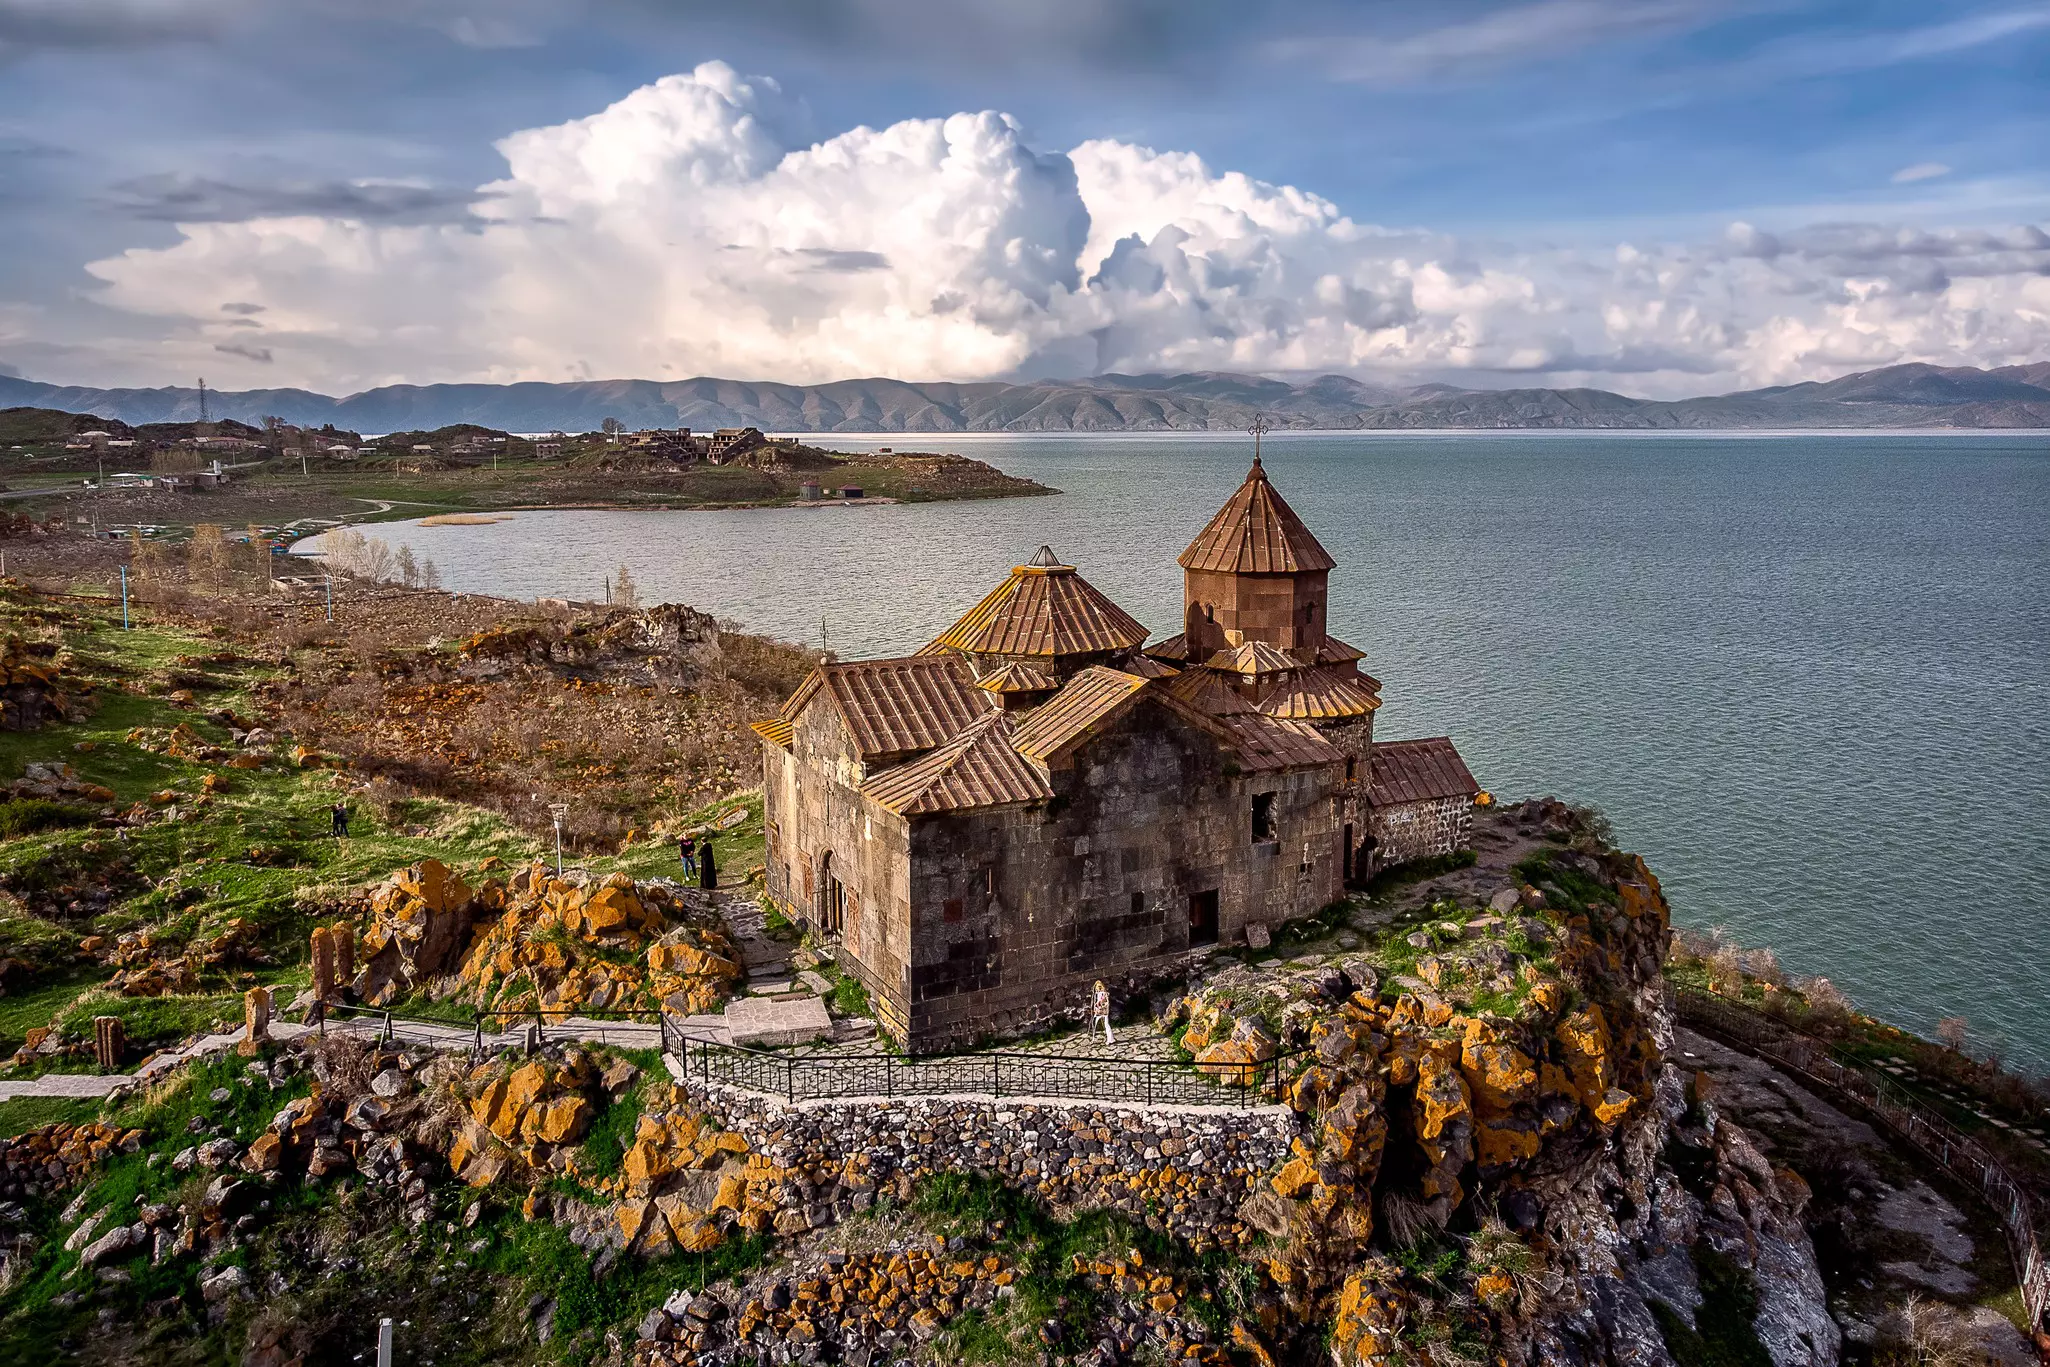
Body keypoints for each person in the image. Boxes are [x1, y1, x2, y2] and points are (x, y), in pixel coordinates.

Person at [1092, 979, 1114, 1045]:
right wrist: (1096, 1005)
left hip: (1104, 1011)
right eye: (1097, 987)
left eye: (1100, 987)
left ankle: (1110, 1039)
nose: (1098, 989)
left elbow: (1107, 1003)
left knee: (1106, 1024)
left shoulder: (1104, 994)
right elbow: (1098, 1001)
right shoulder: (1098, 994)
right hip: (1099, 1011)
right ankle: (1093, 1038)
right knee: (1094, 1022)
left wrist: (1102, 1006)